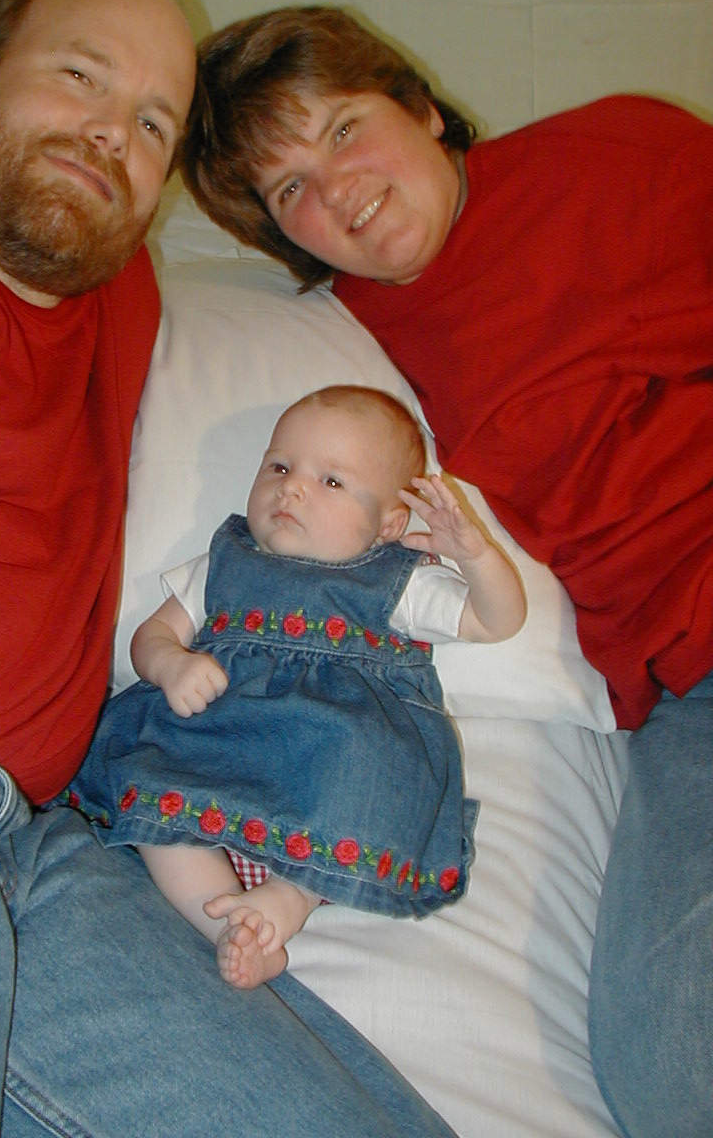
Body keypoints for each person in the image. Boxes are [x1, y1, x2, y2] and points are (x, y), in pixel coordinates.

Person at [0, 0, 462, 1138]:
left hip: (45, 848)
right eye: (80, 75)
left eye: (152, 124)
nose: (109, 132)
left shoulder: (118, 295)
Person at [179, 4, 713, 1138]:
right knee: (675, 1066)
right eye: (289, 188)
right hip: (685, 692)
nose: (337, 190)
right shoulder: (351, 346)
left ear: (419, 105)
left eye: (342, 128)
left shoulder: (620, 161)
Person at [67, 384, 524, 990]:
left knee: (365, 772)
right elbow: (150, 636)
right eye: (279, 467)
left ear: (389, 525)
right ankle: (224, 922)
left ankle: (288, 902)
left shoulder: (397, 580)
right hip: (215, 748)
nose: (293, 488)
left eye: (332, 481)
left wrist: (475, 555)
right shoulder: (225, 562)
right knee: (152, 791)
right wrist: (170, 664)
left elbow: (497, 620)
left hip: (326, 762)